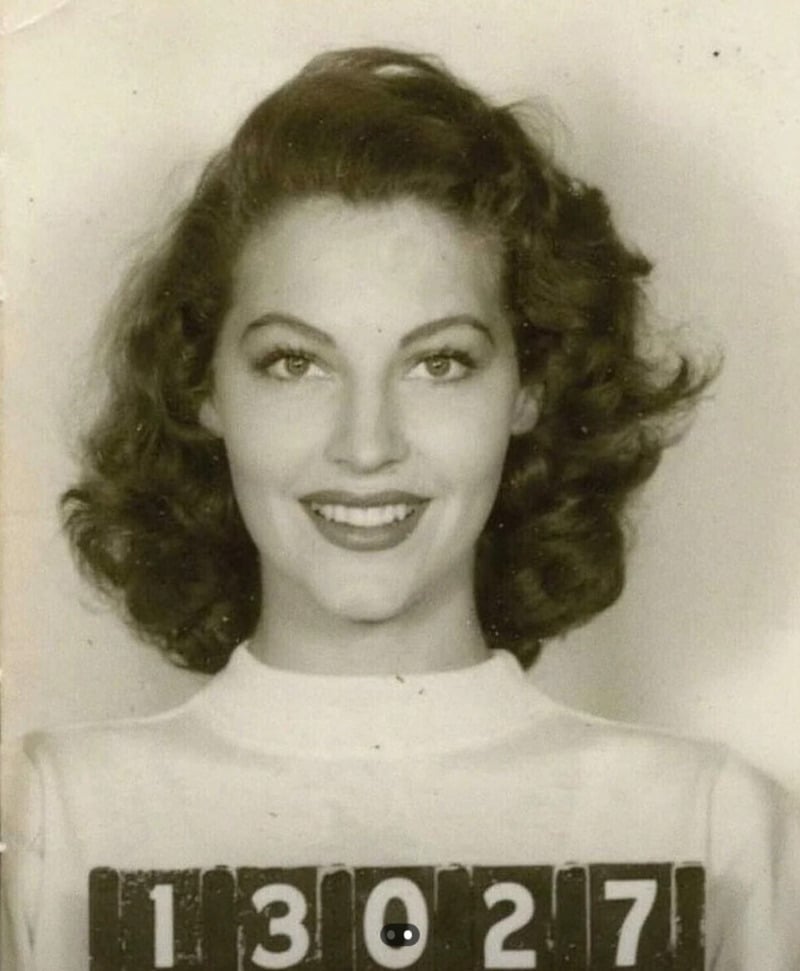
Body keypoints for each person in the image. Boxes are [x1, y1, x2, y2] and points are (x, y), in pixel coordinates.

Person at [4, 47, 798, 970]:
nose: (367, 444)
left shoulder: (711, 830)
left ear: (531, 385)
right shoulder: (54, 824)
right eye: (295, 362)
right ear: (202, 386)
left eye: (440, 361)